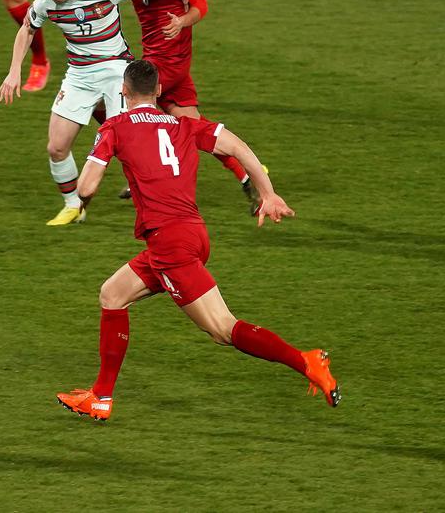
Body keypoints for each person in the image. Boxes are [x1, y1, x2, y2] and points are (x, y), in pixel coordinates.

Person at [54, 59, 340, 421]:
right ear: (158, 92)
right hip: (192, 234)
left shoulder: (115, 126)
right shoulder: (184, 124)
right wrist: (267, 194)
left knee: (223, 328)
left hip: (169, 244)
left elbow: (87, 186)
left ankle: (305, 360)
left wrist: (84, 192)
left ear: (123, 91)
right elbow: (237, 147)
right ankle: (101, 396)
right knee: (113, 294)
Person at [0, 0, 179, 225]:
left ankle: (160, 202)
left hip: (116, 70)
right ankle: (74, 207)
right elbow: (27, 28)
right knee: (56, 148)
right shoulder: (46, 3)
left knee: (130, 143)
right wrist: (13, 72)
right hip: (79, 75)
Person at [93, 0, 257, 209]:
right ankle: (247, 178)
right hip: (162, 61)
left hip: (168, 63)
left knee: (106, 101)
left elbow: (201, 5)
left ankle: (138, 174)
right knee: (193, 126)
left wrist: (182, 21)